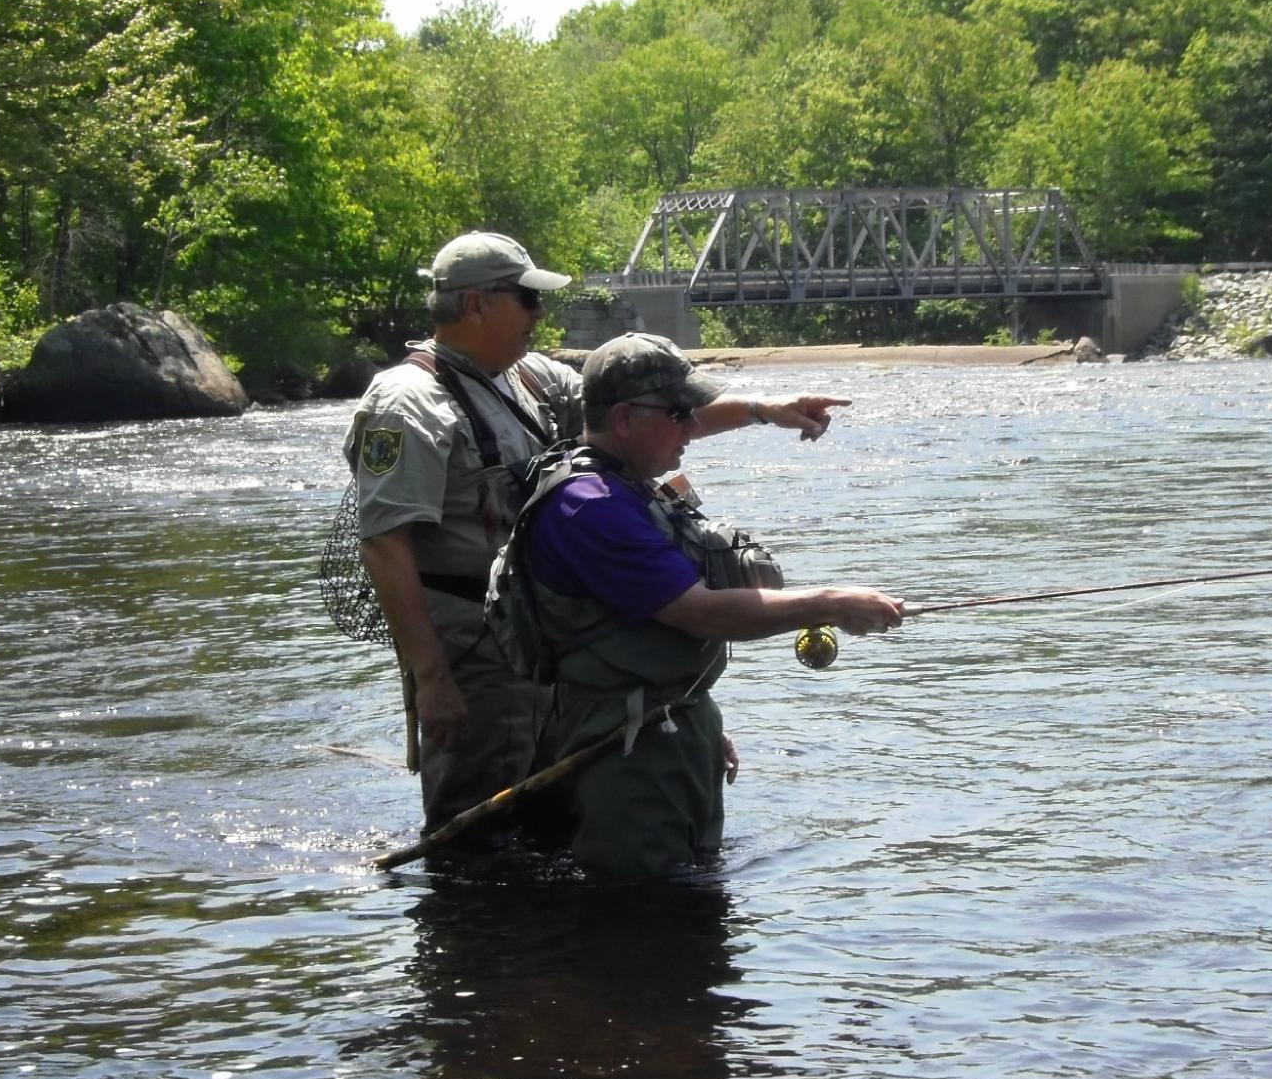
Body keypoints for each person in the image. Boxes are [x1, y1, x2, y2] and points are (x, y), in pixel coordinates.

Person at [342, 232, 854, 837]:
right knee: (476, 834)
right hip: (471, 650)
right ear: (476, 304)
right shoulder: (408, 402)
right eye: (527, 300)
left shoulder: (529, 376)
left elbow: (636, 418)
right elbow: (384, 543)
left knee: (560, 821)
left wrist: (764, 408)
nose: (541, 314)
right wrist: (432, 679)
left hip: (552, 633)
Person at [494, 332, 904, 879]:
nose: (693, 426)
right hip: (624, 750)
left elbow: (644, 637)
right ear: (624, 419)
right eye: (680, 413)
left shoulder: (622, 482)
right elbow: (700, 613)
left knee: (696, 912)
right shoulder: (588, 508)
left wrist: (695, 720)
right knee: (649, 917)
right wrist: (831, 603)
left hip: (663, 725)